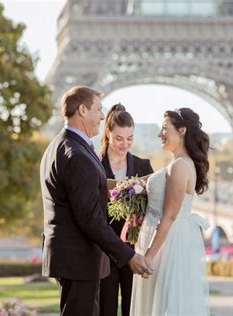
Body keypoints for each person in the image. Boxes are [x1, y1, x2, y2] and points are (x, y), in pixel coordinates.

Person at [39, 86, 153, 315]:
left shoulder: (60, 146)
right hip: (80, 260)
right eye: (99, 109)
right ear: (82, 110)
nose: (102, 116)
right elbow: (90, 218)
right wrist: (128, 256)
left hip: (73, 258)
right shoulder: (77, 154)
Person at [130, 108, 210, 315]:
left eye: (165, 128)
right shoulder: (177, 164)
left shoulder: (180, 166)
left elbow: (170, 215)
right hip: (164, 240)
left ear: (182, 130)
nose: (160, 134)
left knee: (164, 304)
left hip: (167, 244)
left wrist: (148, 257)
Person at [99, 103, 154, 316]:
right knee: (106, 308)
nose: (124, 144)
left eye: (129, 138)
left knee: (134, 308)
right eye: (119, 138)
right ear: (108, 133)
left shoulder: (143, 166)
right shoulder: (93, 163)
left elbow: (152, 207)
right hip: (103, 249)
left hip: (134, 249)